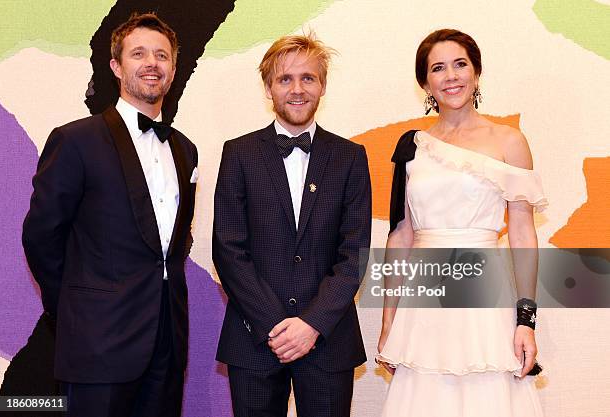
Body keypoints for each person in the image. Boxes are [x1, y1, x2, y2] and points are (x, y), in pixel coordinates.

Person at [22, 13, 198, 417]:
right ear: (116, 67)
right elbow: (41, 236)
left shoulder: (185, 150)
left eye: (161, 55)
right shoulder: (75, 140)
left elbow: (172, 242)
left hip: (166, 346)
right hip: (95, 343)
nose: (152, 63)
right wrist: (75, 305)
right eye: (138, 54)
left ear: (172, 69)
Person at [376, 29, 547, 416]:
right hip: (422, 303)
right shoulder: (411, 146)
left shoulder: (509, 140)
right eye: (438, 68)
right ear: (425, 82)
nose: (450, 76)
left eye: (460, 65)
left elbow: (522, 233)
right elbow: (401, 235)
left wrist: (526, 320)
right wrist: (389, 324)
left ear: (476, 73)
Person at [213, 33, 372, 417]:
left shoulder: (350, 157)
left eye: (308, 78)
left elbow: (354, 254)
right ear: (269, 87)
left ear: (322, 85)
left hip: (327, 340)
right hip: (254, 339)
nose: (297, 89)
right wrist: (275, 326)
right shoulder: (239, 153)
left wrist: (311, 324)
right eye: (285, 79)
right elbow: (228, 250)